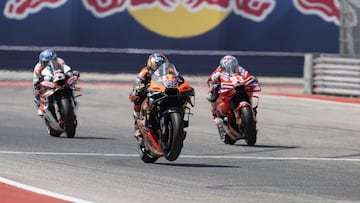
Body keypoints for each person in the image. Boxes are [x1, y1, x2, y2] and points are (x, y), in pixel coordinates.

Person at [128, 53, 168, 139]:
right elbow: (135, 88)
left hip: (163, 93)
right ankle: (138, 124)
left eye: (161, 67)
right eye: (156, 67)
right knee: (137, 98)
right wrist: (139, 89)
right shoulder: (144, 73)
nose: (158, 70)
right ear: (150, 67)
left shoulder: (169, 72)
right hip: (149, 93)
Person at [206, 55, 256, 121]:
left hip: (238, 86)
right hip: (227, 88)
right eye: (227, 66)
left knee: (249, 90)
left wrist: (251, 79)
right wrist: (214, 83)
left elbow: (247, 75)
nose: (231, 68)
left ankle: (251, 110)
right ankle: (215, 115)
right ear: (222, 66)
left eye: (233, 65)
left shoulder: (241, 69)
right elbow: (210, 80)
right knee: (211, 96)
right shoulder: (218, 71)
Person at [32, 49, 80, 117]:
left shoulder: (60, 61)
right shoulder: (37, 68)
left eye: (53, 60)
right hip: (47, 81)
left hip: (58, 77)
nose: (50, 64)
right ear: (42, 62)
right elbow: (36, 81)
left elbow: (65, 68)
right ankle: (41, 106)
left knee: (70, 80)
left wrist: (71, 73)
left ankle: (71, 98)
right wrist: (38, 84)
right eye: (46, 62)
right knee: (36, 89)